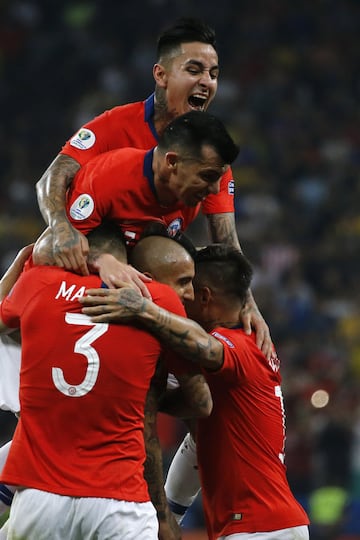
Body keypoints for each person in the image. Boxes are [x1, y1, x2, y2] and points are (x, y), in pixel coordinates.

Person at [34, 16, 271, 355]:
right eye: (194, 70)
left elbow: (227, 243)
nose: (207, 82)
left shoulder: (209, 157)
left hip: (153, 257)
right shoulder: (116, 125)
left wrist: (248, 305)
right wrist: (60, 227)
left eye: (214, 74)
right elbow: (51, 178)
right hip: (97, 245)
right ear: (161, 75)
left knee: (209, 288)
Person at [80, 244, 310, 540]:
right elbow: (198, 439)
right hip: (263, 524)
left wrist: (143, 309)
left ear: (204, 296)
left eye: (189, 285)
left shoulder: (239, 345)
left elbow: (207, 348)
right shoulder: (244, 348)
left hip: (259, 528)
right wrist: (170, 514)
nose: (184, 295)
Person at [0, 223, 212, 540]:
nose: (188, 292)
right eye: (184, 282)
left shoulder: (38, 282)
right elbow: (201, 400)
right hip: (119, 499)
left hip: (40, 494)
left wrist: (20, 265)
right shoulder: (157, 300)